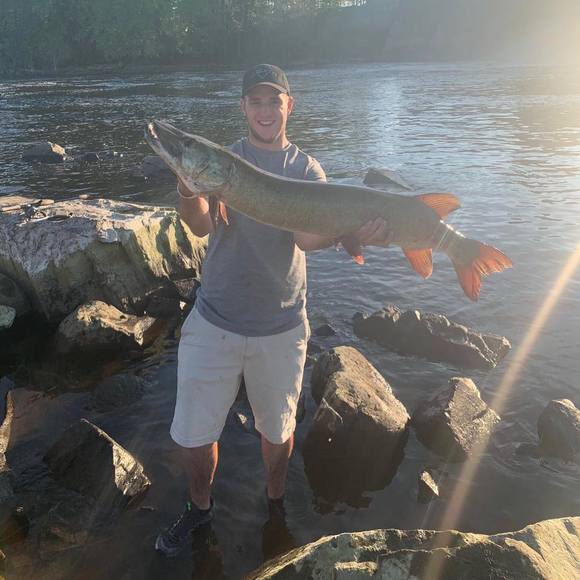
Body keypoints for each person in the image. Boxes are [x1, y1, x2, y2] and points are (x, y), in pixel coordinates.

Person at [155, 64, 392, 557]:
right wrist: (185, 185)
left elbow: (305, 238)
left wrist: (350, 232)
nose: (265, 111)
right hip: (214, 319)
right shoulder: (222, 162)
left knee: (278, 431)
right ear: (243, 107)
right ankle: (200, 508)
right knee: (194, 436)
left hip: (281, 326)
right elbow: (199, 226)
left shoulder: (306, 171)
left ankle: (276, 504)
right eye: (256, 101)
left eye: (274, 101)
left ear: (289, 106)